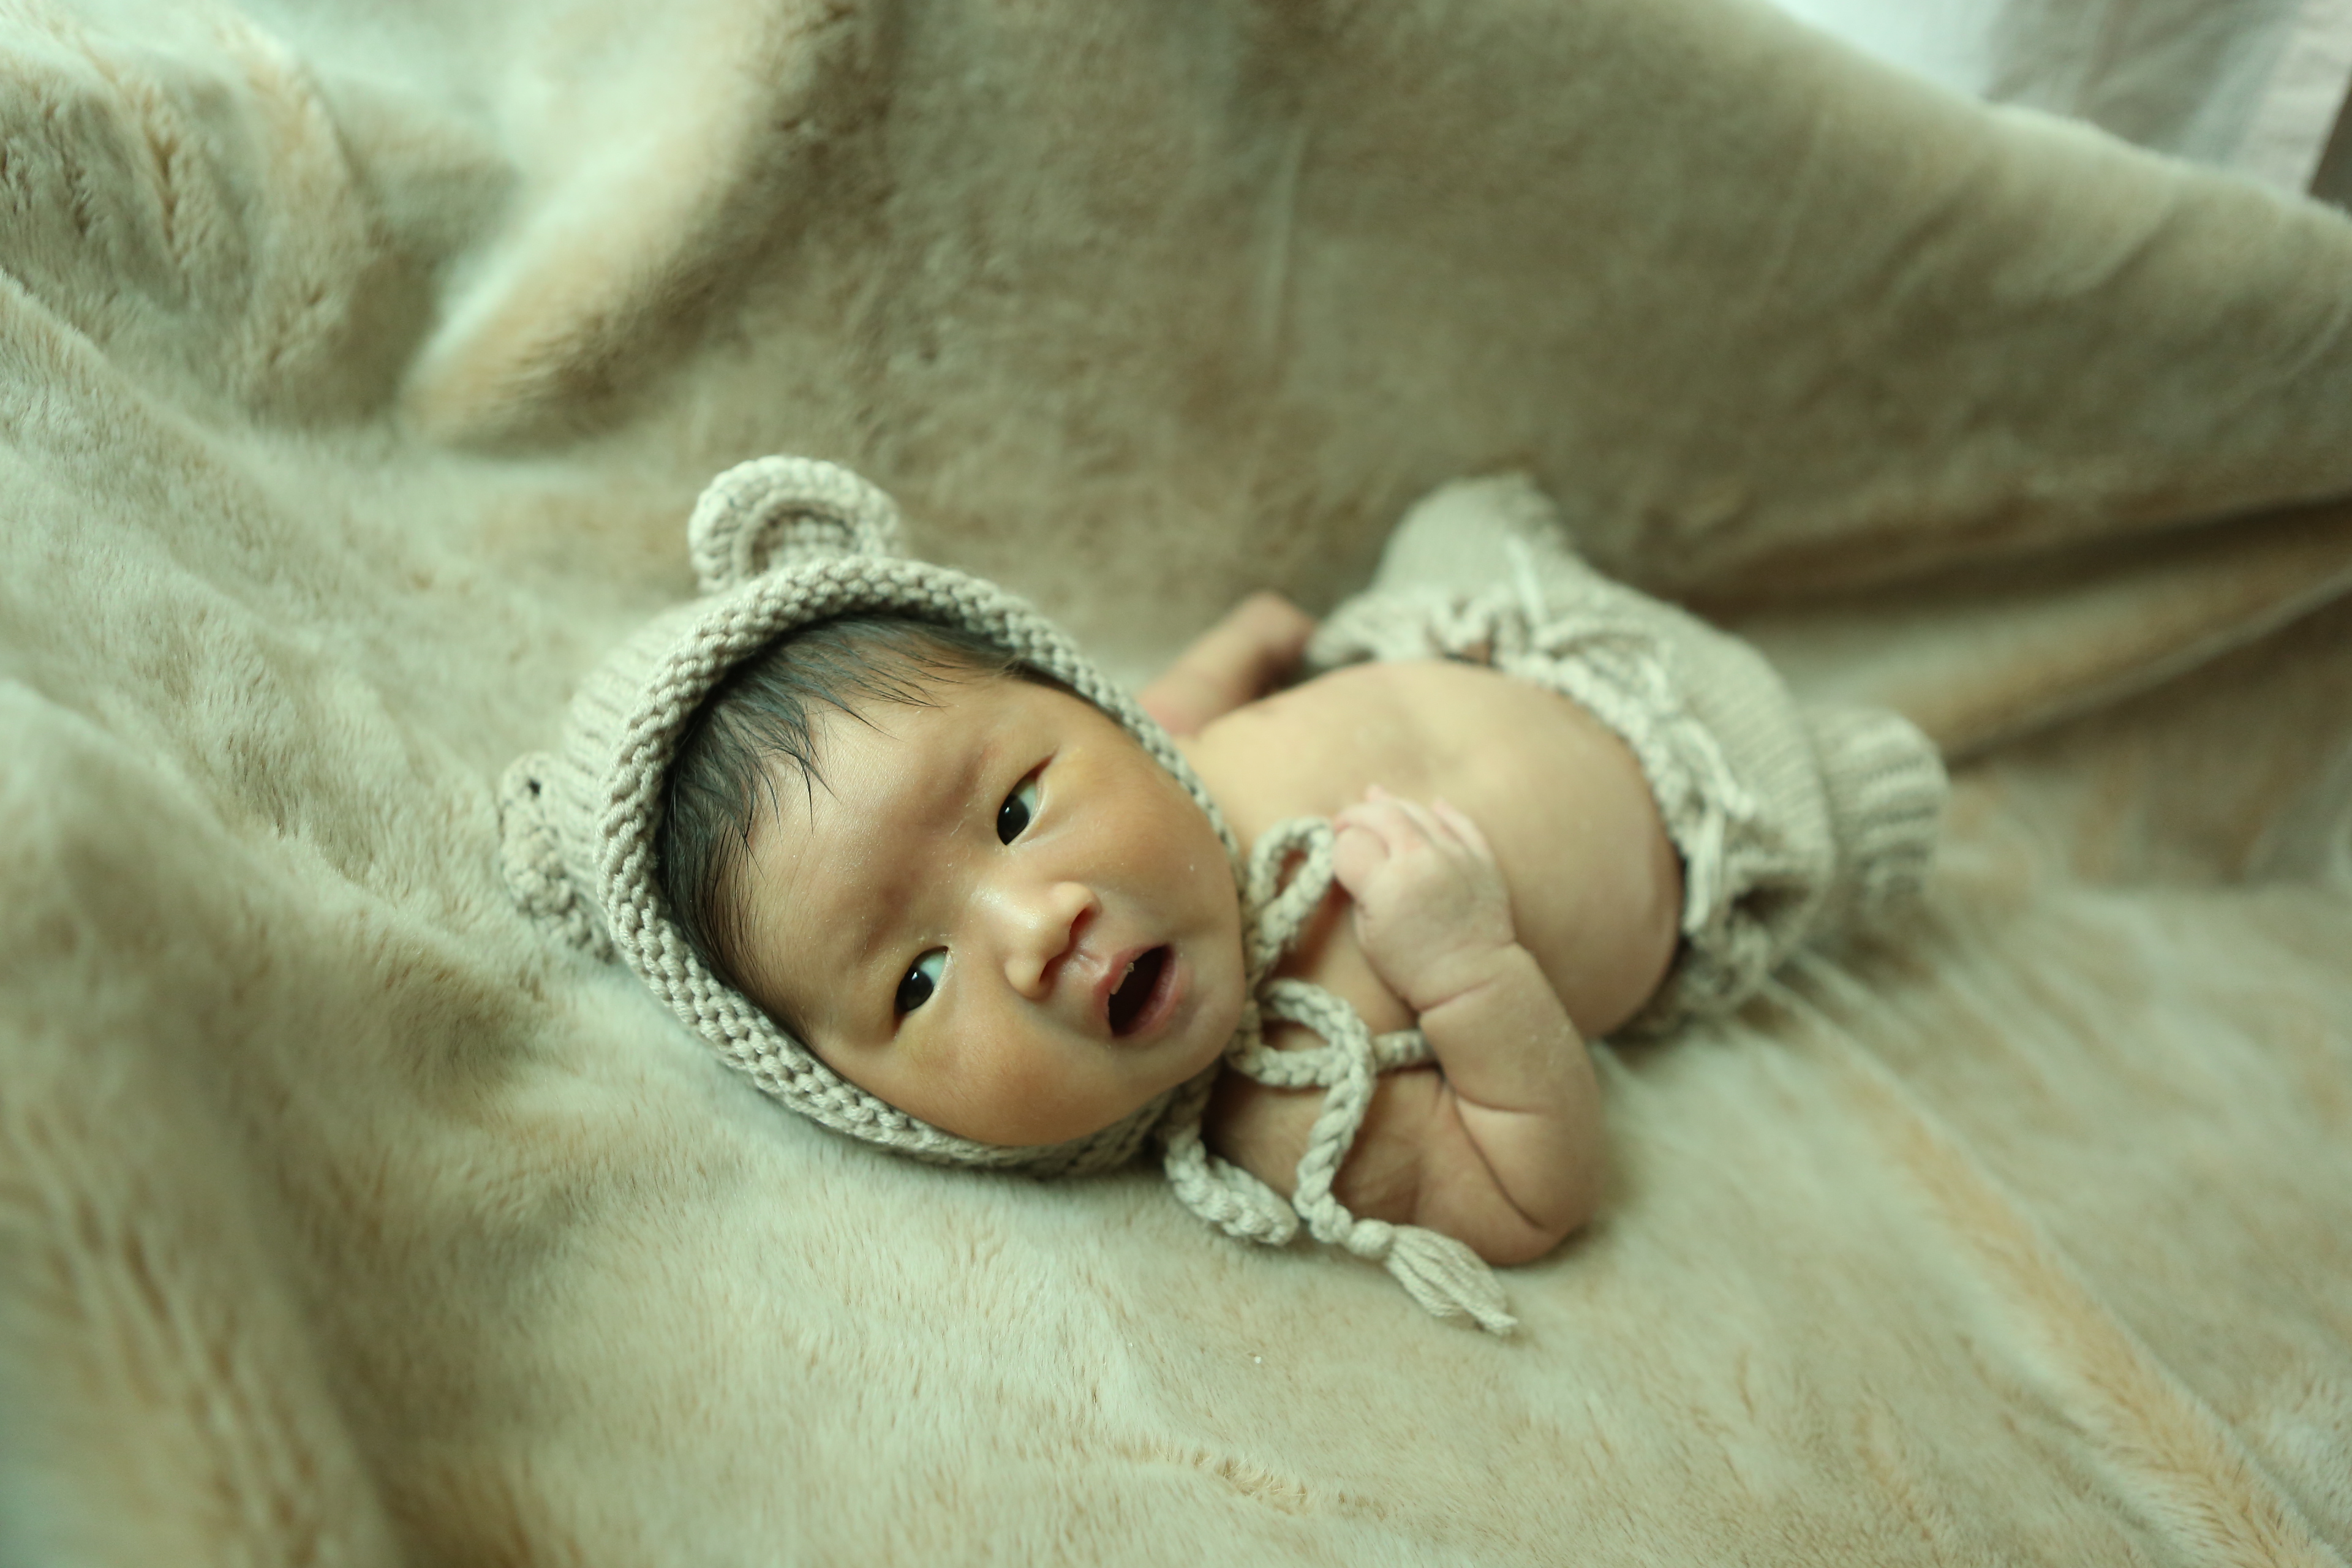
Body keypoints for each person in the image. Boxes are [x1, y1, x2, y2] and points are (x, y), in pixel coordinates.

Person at [501, 458, 1947, 1332]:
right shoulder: (1293, 1093)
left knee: (1459, 528)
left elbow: (1178, 698)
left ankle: (1481, 544)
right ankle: (1837, 784)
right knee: (1859, 795)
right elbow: (1535, 1191)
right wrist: (1468, 966)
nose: (1037, 926)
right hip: (1688, 814)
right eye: (916, 979)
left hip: (1468, 635)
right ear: (855, 1098)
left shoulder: (1165, 758)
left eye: (1016, 809)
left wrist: (1254, 639)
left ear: (1082, 699)